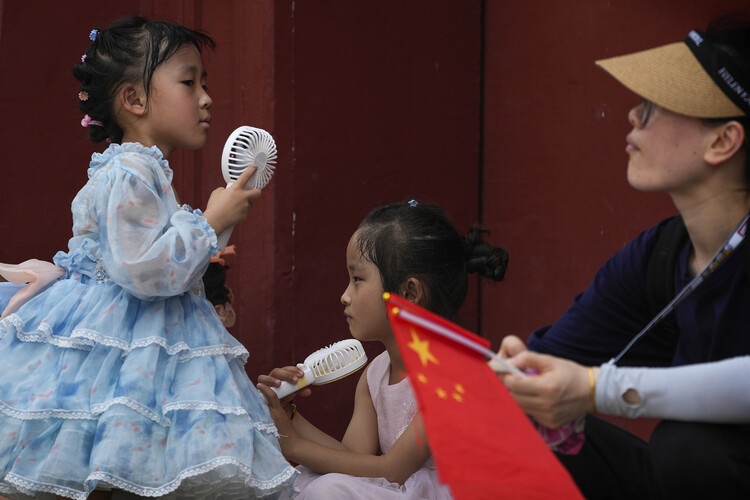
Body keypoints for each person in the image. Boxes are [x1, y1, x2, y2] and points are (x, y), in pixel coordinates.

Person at [0, 17, 298, 499]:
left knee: (130, 463)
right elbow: (144, 268)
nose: (205, 98)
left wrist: (216, 224)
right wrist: (208, 219)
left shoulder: (144, 169)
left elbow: (168, 262)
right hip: (125, 335)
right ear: (135, 100)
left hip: (144, 334)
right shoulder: (133, 169)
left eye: (205, 83)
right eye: (188, 82)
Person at [498, 14, 750, 500]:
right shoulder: (660, 254)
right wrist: (520, 375)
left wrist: (597, 388)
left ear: (723, 141)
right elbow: (555, 360)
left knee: (687, 451)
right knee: (528, 421)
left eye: (653, 106)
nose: (633, 117)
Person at [257, 201, 509, 499]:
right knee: (305, 480)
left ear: (409, 293)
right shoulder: (376, 373)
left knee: (329, 489)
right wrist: (289, 418)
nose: (345, 296)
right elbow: (352, 456)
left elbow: (392, 470)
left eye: (357, 279)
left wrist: (295, 446)